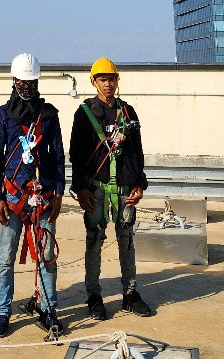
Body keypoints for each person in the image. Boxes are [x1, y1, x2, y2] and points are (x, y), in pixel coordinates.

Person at [0, 52, 66, 339]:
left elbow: (58, 156)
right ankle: (2, 313)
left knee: (47, 256)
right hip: (12, 198)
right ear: (14, 80)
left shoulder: (49, 115)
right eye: (22, 81)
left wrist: (59, 193)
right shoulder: (2, 115)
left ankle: (48, 309)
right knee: (6, 257)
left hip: (43, 195)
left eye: (31, 82)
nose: (27, 87)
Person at [70, 56, 153, 320]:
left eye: (112, 79)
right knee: (94, 240)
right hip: (96, 188)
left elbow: (137, 150)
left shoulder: (127, 112)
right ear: (94, 82)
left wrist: (139, 183)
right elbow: (76, 154)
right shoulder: (85, 113)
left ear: (117, 80)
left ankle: (130, 294)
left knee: (127, 240)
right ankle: (94, 296)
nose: (108, 84)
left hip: (125, 188)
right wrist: (80, 188)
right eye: (103, 79)